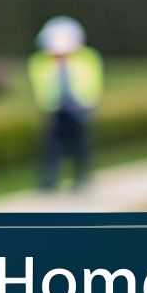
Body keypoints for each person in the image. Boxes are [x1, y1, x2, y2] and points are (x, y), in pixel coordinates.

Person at [30, 15, 103, 192]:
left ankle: (81, 178)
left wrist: (90, 102)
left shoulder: (87, 57)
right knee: (51, 147)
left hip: (79, 108)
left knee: (80, 145)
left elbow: (93, 81)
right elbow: (39, 86)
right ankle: (49, 182)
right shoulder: (40, 61)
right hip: (54, 109)